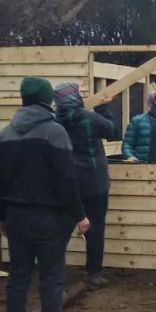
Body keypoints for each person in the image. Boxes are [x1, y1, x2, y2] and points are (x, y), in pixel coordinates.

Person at [0, 76, 90, 312]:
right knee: (51, 278)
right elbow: (66, 180)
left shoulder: (4, 135)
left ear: (23, 99)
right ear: (48, 100)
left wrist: (2, 216)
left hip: (16, 218)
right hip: (49, 219)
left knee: (18, 277)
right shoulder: (54, 132)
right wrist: (80, 216)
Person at [53, 82, 117, 290]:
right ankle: (94, 274)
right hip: (94, 183)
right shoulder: (90, 119)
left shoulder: (53, 122)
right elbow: (112, 130)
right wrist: (103, 108)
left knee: (60, 230)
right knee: (95, 228)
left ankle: (54, 275)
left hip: (66, 185)